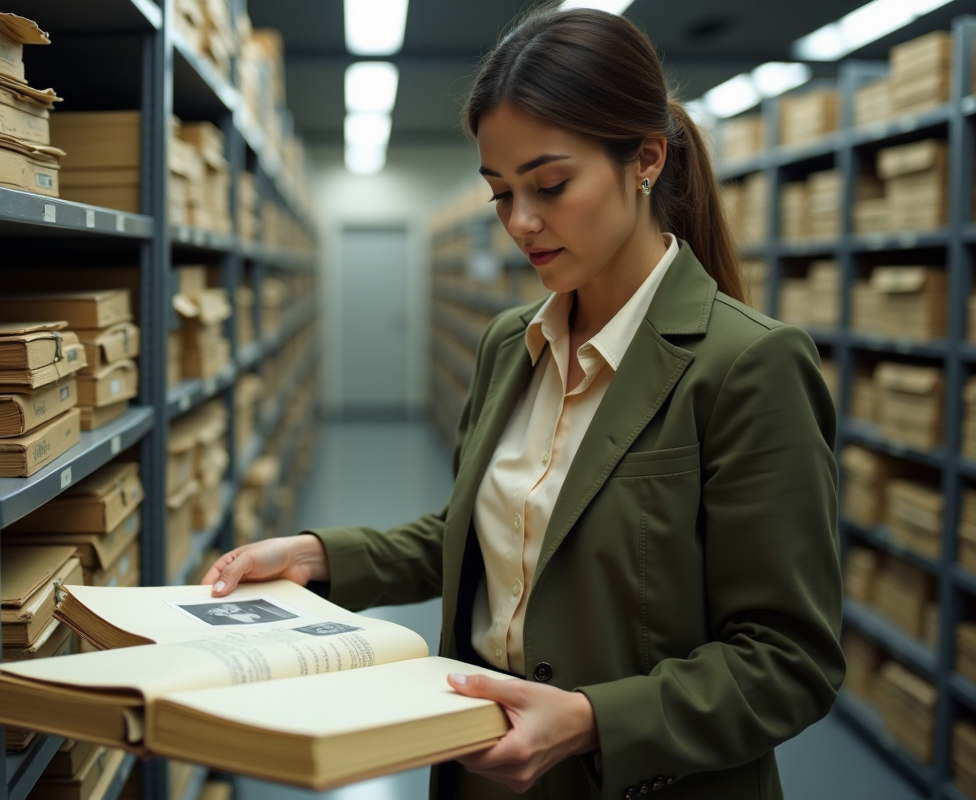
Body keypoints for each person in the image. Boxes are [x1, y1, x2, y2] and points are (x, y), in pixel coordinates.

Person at [203, 5, 844, 798]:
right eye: (500, 194)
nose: (522, 223)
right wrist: (315, 556)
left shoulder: (748, 364)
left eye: (550, 185)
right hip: (484, 773)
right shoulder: (512, 343)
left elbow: (789, 661)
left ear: (646, 159)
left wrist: (592, 719)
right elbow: (480, 533)